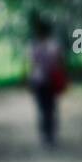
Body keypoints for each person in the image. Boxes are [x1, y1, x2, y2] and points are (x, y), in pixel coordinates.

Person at [28, 14, 66, 146]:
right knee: (50, 108)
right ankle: (49, 133)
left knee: (44, 108)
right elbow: (60, 62)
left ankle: (46, 134)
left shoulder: (35, 46)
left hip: (40, 80)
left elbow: (32, 64)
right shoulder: (53, 45)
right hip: (49, 79)